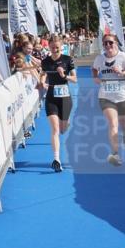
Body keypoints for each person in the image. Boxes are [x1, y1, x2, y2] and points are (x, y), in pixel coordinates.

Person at [91, 36, 125, 166]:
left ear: (116, 43)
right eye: (105, 43)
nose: (108, 45)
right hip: (106, 96)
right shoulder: (99, 58)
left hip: (124, 96)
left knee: (123, 120)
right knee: (113, 123)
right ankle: (115, 154)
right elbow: (94, 68)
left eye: (110, 42)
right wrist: (95, 77)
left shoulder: (123, 57)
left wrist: (122, 72)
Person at [39, 35, 77, 172]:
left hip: (65, 98)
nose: (55, 50)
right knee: (55, 129)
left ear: (61, 47)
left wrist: (64, 76)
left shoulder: (68, 59)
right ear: (49, 47)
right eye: (53, 47)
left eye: (57, 47)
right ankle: (56, 160)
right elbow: (43, 74)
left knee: (62, 129)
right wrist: (42, 82)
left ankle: (66, 123)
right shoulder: (45, 61)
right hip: (51, 98)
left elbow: (75, 79)